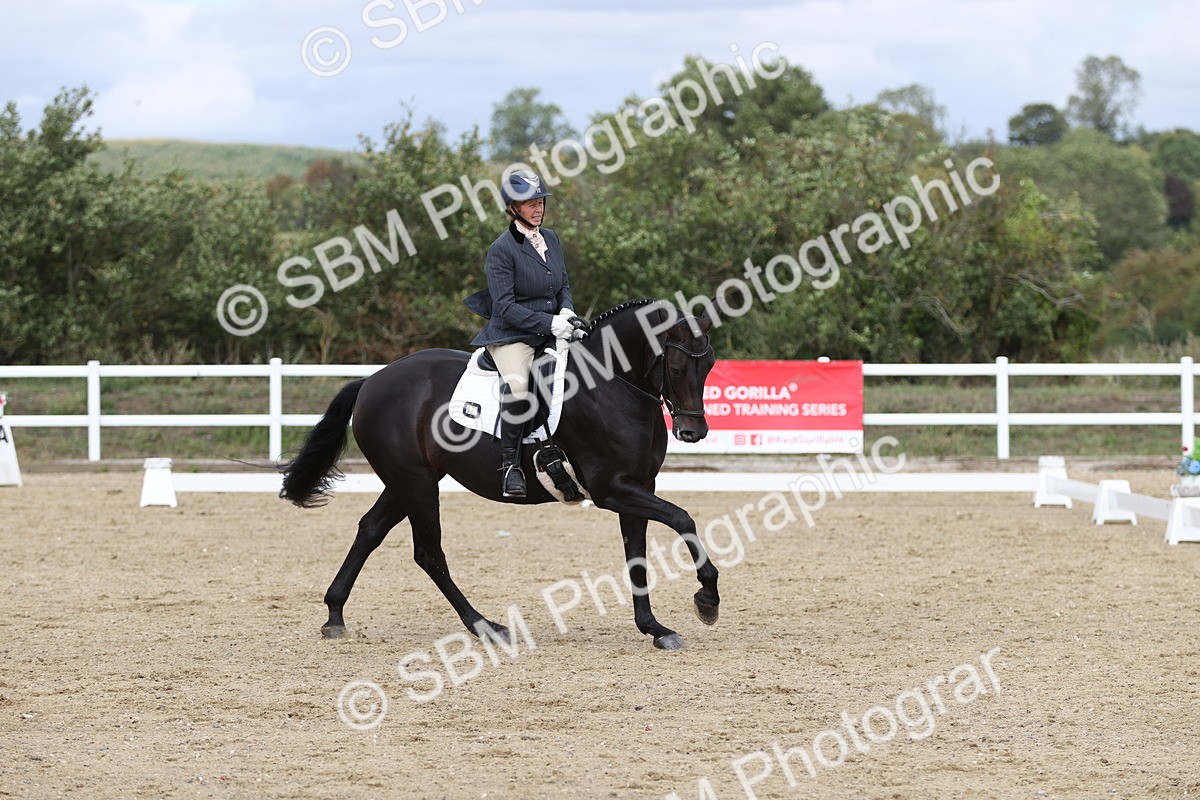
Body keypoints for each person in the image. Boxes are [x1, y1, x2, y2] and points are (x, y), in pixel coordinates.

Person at [464, 170, 583, 498]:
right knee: (518, 387)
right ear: (512, 208)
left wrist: (567, 312)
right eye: (530, 203)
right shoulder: (501, 249)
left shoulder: (552, 239)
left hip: (552, 328)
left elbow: (564, 284)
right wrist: (549, 325)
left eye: (540, 201)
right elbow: (504, 307)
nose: (538, 208)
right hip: (512, 335)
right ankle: (510, 467)